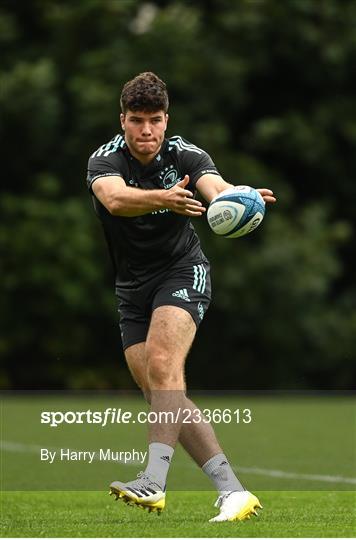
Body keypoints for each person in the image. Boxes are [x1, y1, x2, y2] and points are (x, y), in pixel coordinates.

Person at [86, 72, 276, 522]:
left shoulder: (184, 153)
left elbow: (214, 187)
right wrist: (163, 199)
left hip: (181, 271)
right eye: (137, 121)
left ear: (166, 120)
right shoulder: (104, 161)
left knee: (164, 365)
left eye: (154, 120)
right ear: (123, 121)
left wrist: (239, 198)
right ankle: (232, 491)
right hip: (132, 287)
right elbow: (115, 200)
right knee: (160, 393)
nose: (146, 131)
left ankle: (152, 480)